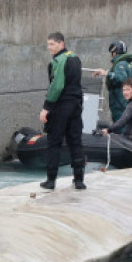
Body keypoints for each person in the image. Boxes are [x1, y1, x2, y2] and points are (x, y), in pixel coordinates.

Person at [40, 32, 87, 190]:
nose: (49, 48)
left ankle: (51, 180)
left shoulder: (59, 60)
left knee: (54, 142)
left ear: (61, 44)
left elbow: (57, 85)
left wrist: (46, 107)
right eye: (48, 44)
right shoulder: (75, 58)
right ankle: (79, 180)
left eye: (52, 44)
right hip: (76, 106)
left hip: (61, 106)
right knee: (76, 142)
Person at [92, 41, 132, 125]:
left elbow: (122, 78)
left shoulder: (120, 64)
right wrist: (104, 72)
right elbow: (119, 75)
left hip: (120, 102)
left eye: (112, 52)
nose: (111, 55)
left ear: (116, 52)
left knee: (120, 127)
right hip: (122, 102)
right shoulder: (125, 63)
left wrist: (106, 73)